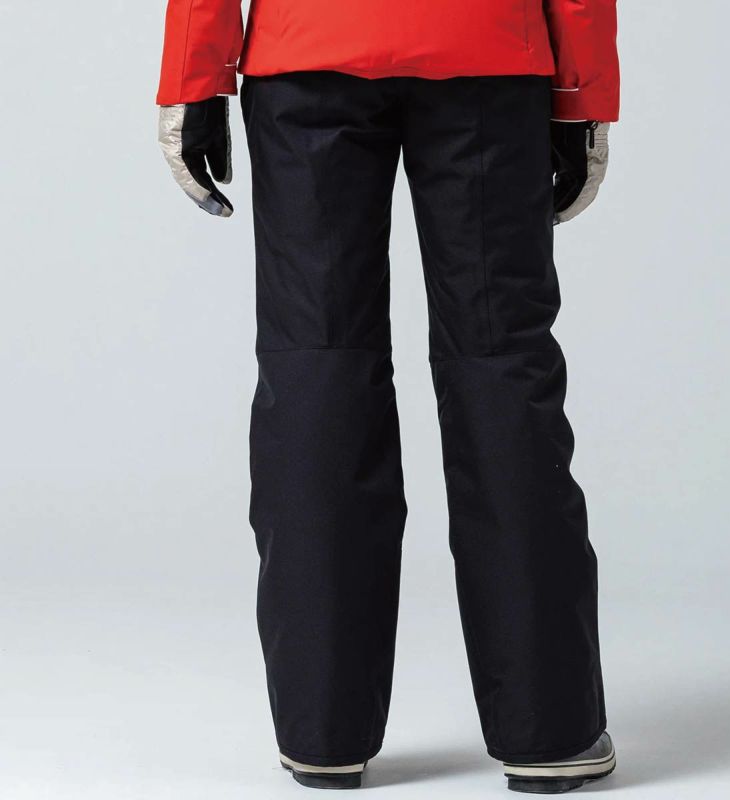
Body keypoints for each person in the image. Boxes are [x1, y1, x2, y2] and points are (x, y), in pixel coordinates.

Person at [156, 1, 619, 793]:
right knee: (501, 367)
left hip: (307, 50)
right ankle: (550, 732)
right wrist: (581, 92)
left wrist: (194, 77)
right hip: (486, 50)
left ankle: (323, 731)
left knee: (317, 366)